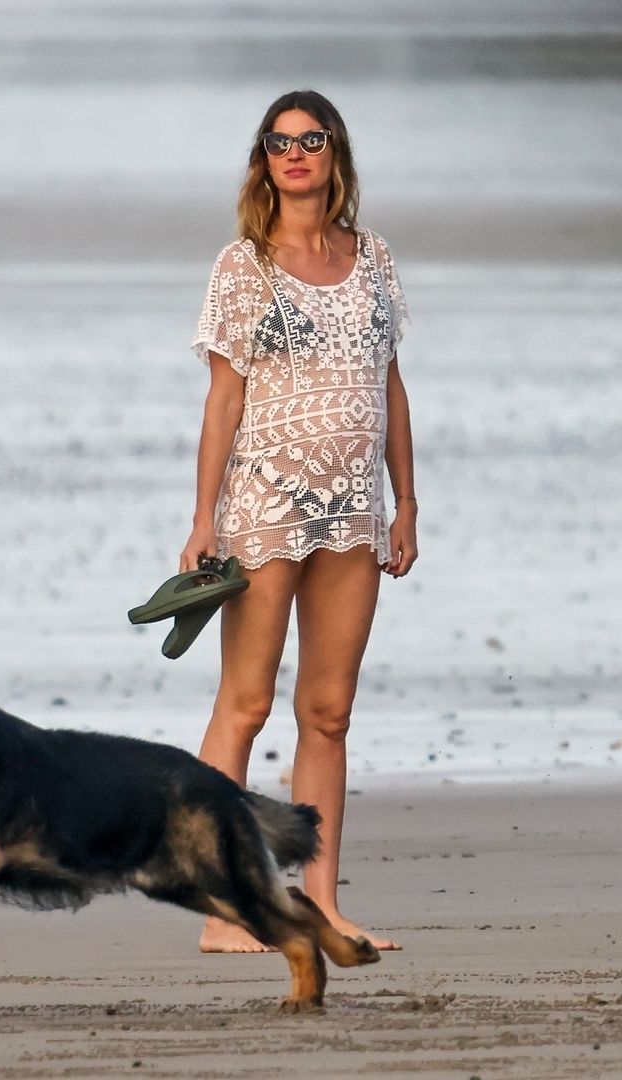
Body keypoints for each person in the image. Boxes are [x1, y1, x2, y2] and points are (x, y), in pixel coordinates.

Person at [181, 89, 417, 954]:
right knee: (244, 705)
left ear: (334, 154)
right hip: (265, 508)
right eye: (279, 142)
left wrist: (408, 503)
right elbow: (222, 402)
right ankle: (221, 909)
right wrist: (203, 519)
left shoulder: (376, 259)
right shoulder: (242, 266)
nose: (295, 153)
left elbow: (388, 386)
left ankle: (319, 905)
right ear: (264, 161)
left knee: (327, 714)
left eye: (310, 139)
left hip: (355, 512)